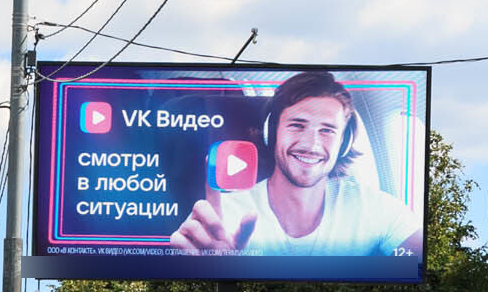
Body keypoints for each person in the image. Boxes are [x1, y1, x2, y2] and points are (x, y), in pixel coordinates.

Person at [173, 69, 422, 258]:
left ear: (344, 143)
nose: (311, 144)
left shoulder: (378, 209)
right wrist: (209, 266)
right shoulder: (226, 216)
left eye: (327, 130)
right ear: (272, 132)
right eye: (297, 125)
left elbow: (421, 265)